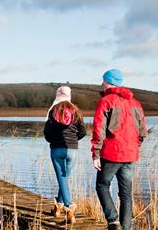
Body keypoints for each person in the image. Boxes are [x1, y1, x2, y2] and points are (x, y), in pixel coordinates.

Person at [91, 69, 147, 230]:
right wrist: (134, 146)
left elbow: (98, 129)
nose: (101, 83)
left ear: (109, 82)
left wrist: (95, 153)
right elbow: (143, 131)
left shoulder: (106, 101)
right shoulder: (135, 103)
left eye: (103, 81)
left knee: (102, 185)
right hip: (130, 155)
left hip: (111, 154)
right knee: (126, 195)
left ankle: (113, 221)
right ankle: (126, 227)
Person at [44, 86, 86, 223]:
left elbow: (47, 133)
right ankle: (57, 209)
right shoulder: (76, 111)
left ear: (57, 95)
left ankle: (68, 207)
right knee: (64, 179)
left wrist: (53, 140)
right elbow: (83, 131)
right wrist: (74, 140)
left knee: (62, 178)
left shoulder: (53, 111)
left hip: (57, 149)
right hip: (72, 150)